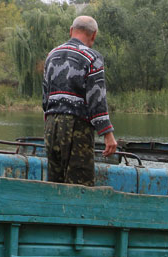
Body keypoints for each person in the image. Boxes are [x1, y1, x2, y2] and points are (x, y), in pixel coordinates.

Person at [42, 15, 118, 186]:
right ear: (94, 35)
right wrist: (108, 134)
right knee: (80, 184)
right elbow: (96, 99)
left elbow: (45, 97)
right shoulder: (92, 57)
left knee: (55, 183)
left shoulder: (51, 55)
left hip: (51, 125)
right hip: (77, 126)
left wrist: (50, 123)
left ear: (71, 30)